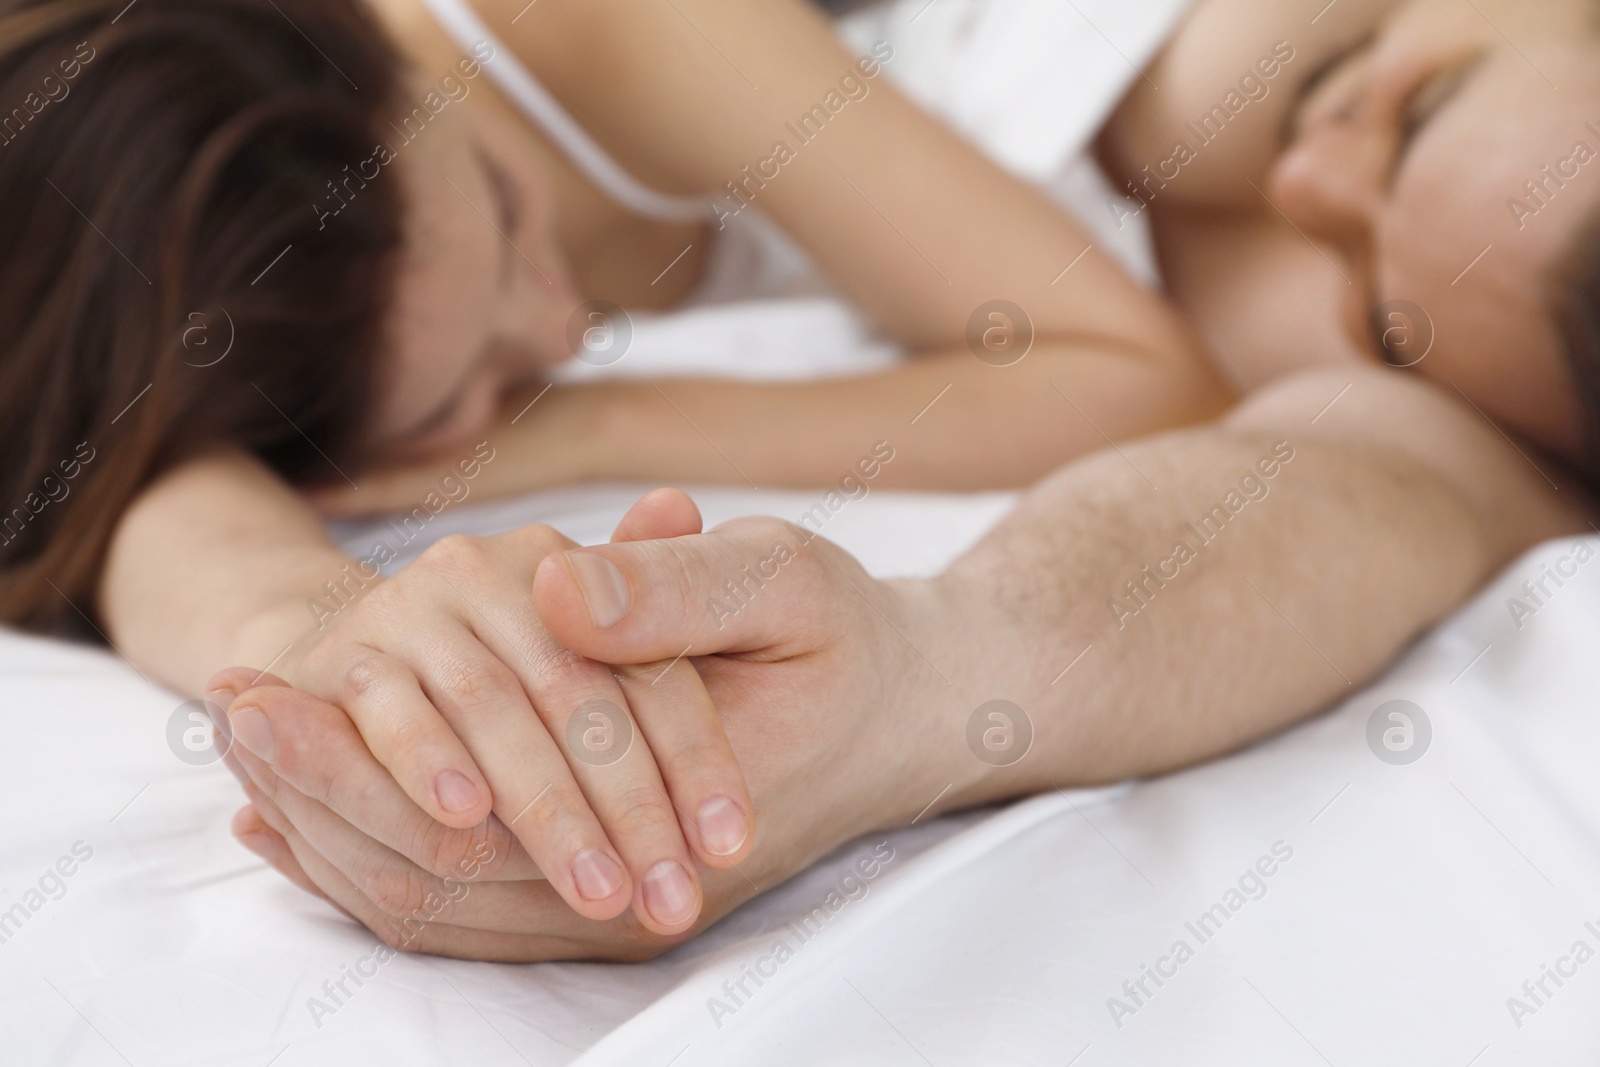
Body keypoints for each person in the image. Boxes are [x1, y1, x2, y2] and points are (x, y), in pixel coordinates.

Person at [1, 0, 1597, 936]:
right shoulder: (248, 276)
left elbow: (1139, 380)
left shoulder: (599, 32)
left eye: (496, 207)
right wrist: (304, 647)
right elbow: (142, 487)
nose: (559, 323)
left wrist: (572, 423)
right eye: (484, 378)